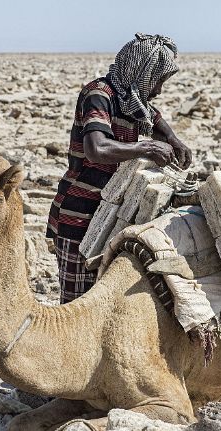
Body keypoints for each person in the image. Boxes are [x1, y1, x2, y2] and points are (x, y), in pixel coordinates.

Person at [46, 33, 192, 303]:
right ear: (143, 72)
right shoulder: (99, 95)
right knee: (78, 306)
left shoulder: (134, 101)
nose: (159, 89)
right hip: (79, 216)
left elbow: (154, 119)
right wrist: (146, 148)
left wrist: (173, 140)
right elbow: (97, 148)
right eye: (158, 81)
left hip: (111, 218)